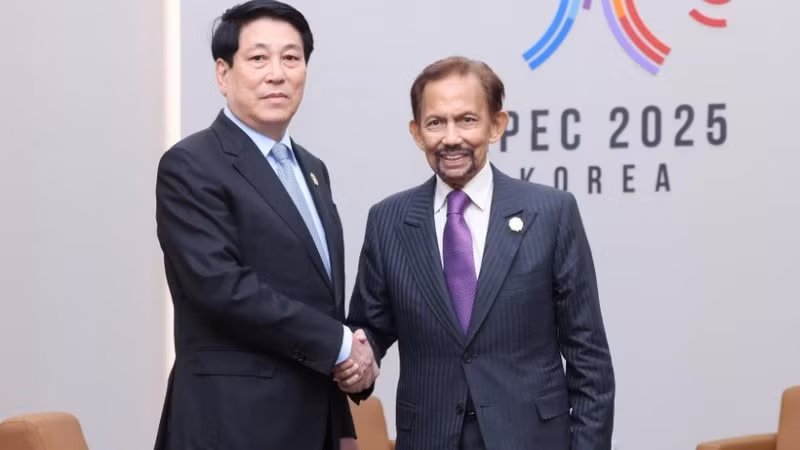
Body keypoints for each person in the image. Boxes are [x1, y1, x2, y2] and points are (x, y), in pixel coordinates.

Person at [339, 56, 615, 450]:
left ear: (496, 125)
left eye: (467, 120)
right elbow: (371, 329)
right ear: (417, 133)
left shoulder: (551, 214)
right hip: (430, 438)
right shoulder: (389, 221)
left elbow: (589, 359)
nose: (451, 137)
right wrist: (355, 361)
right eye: (436, 123)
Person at [153, 1, 375, 449]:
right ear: (223, 73)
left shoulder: (312, 169)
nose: (277, 73)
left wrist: (342, 422)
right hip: (232, 424)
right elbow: (221, 287)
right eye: (258, 58)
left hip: (314, 427)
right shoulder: (191, 165)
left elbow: (319, 303)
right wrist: (340, 344)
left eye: (291, 58)